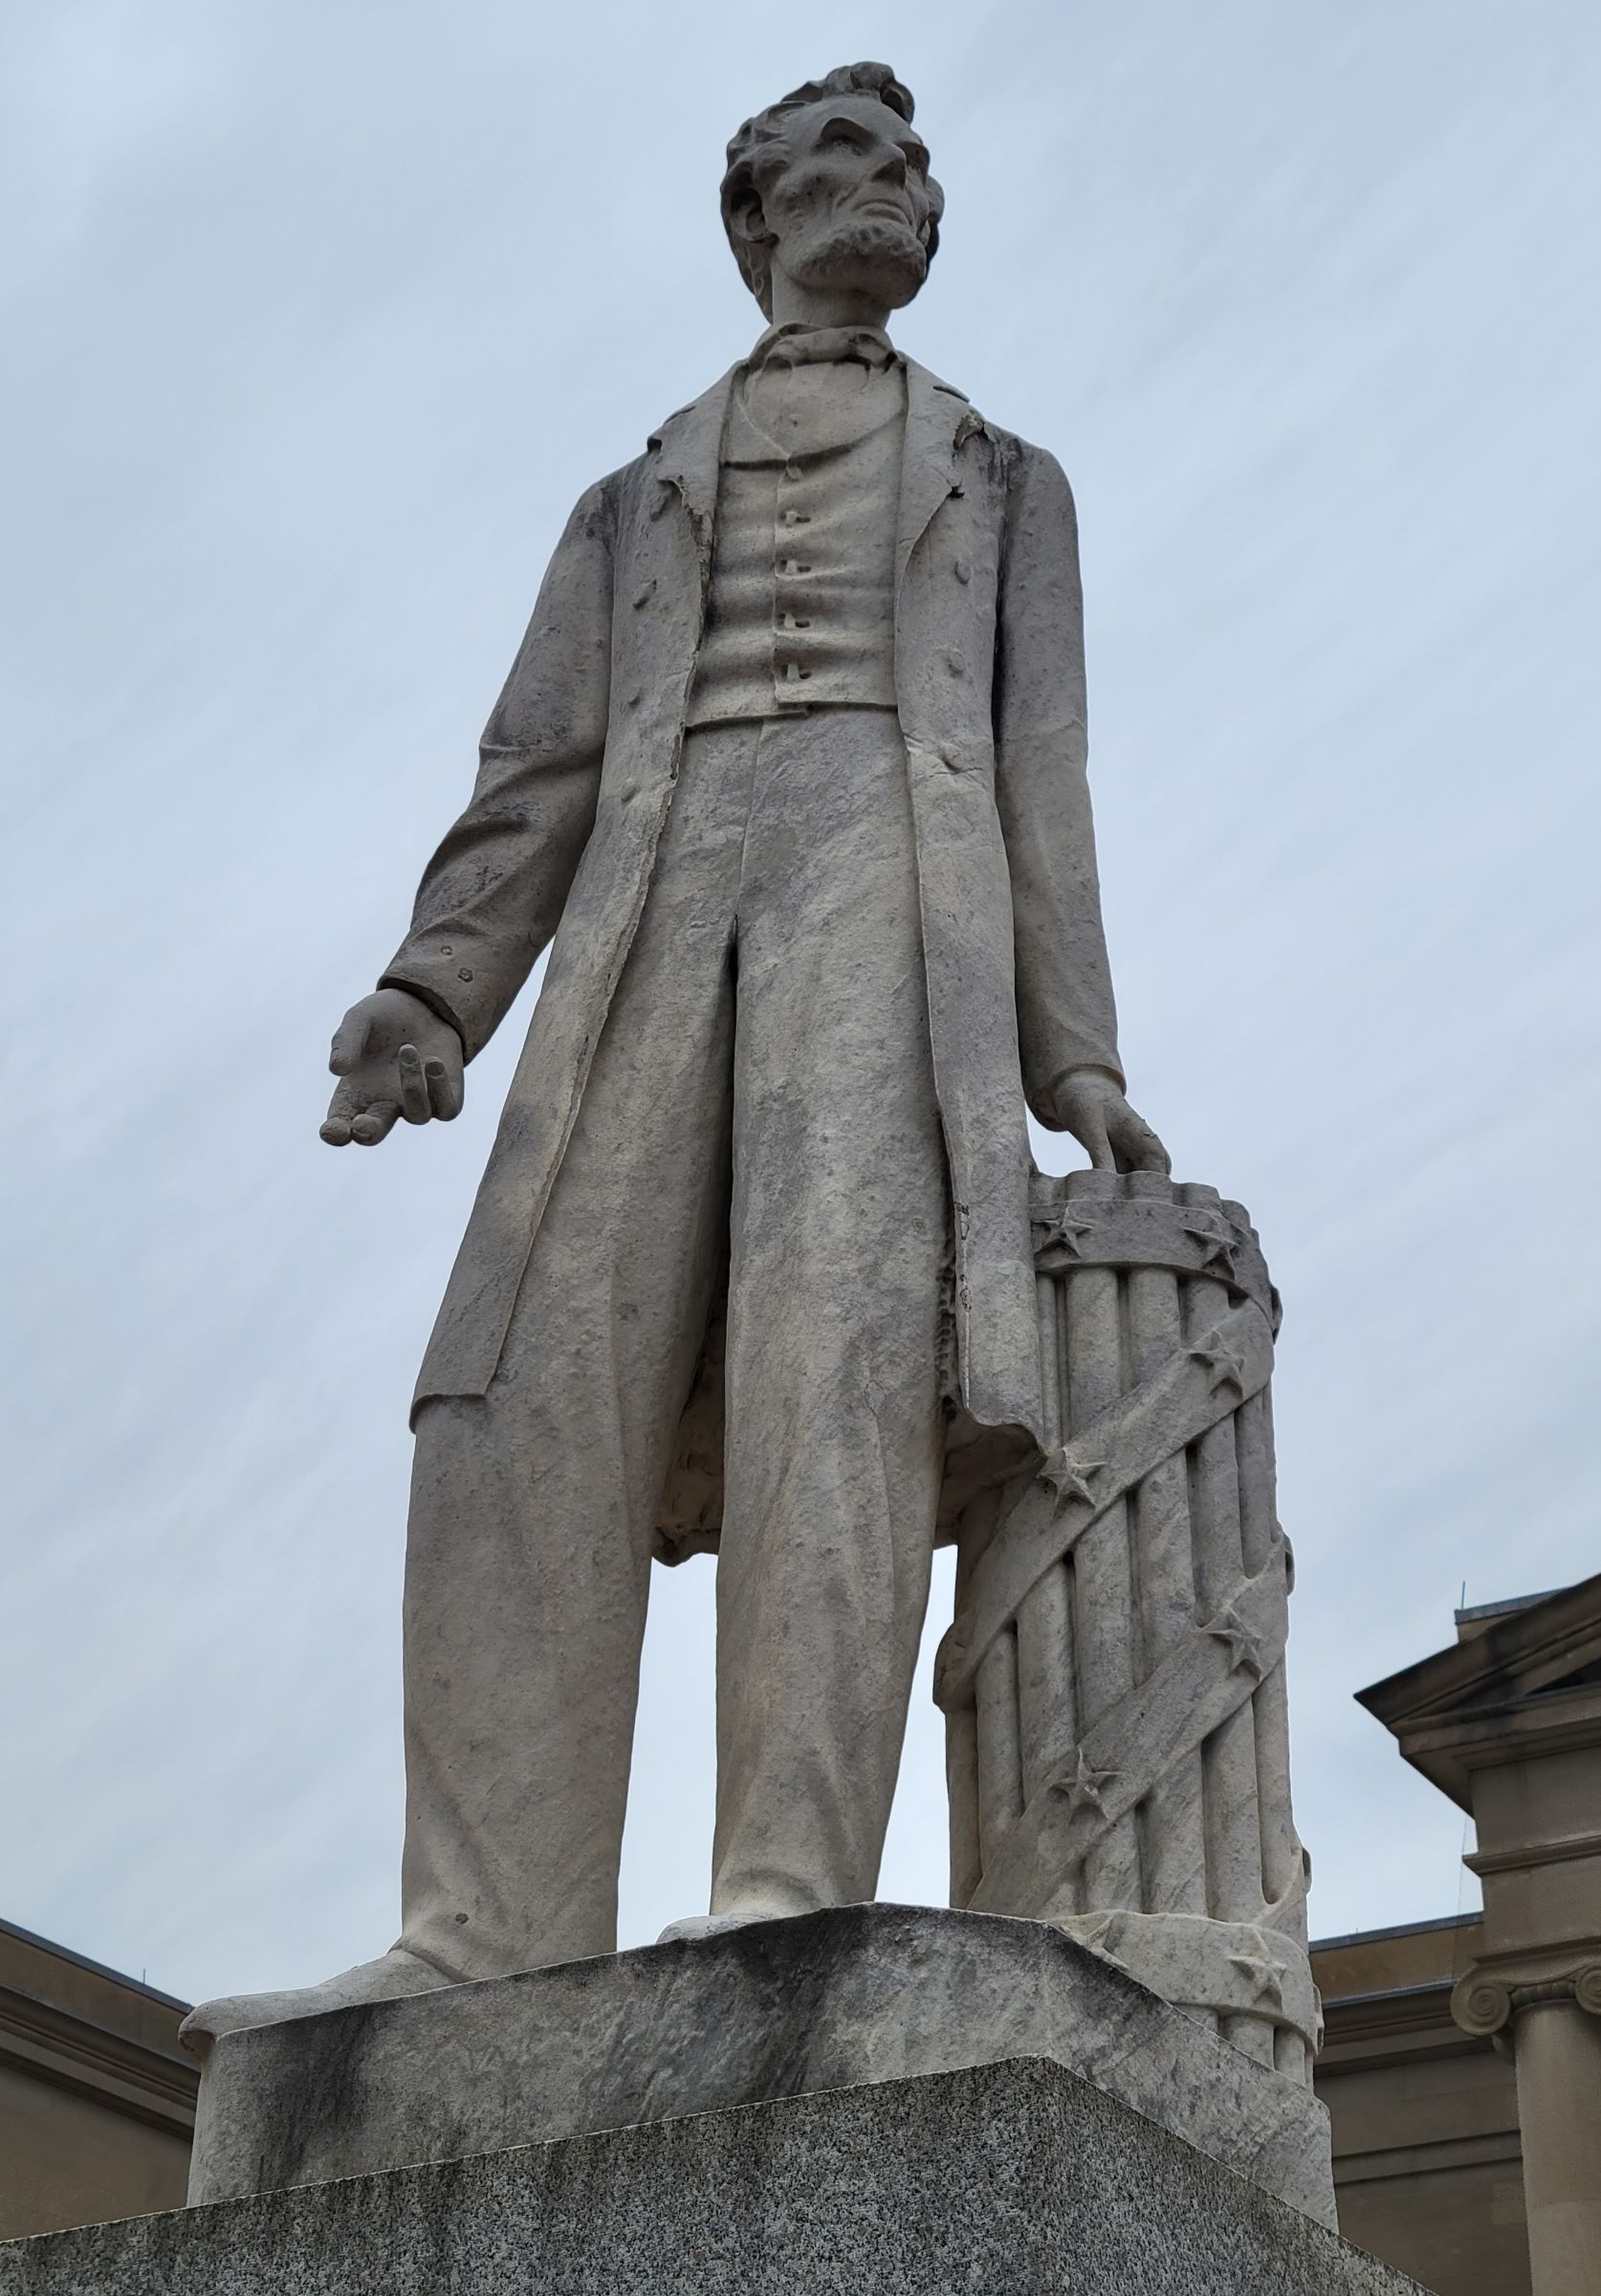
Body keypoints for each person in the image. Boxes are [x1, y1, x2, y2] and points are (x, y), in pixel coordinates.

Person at [185, 59, 1164, 2048]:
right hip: (646, 894)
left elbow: (1042, 778)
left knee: (838, 1369)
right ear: (755, 218)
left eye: (913, 161)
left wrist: (1077, 1067)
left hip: (887, 891)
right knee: (518, 1382)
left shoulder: (1007, 481)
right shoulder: (629, 497)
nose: (897, 182)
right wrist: (434, 990)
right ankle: (483, 1927)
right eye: (850, 157)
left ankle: (785, 1884)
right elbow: (536, 764)